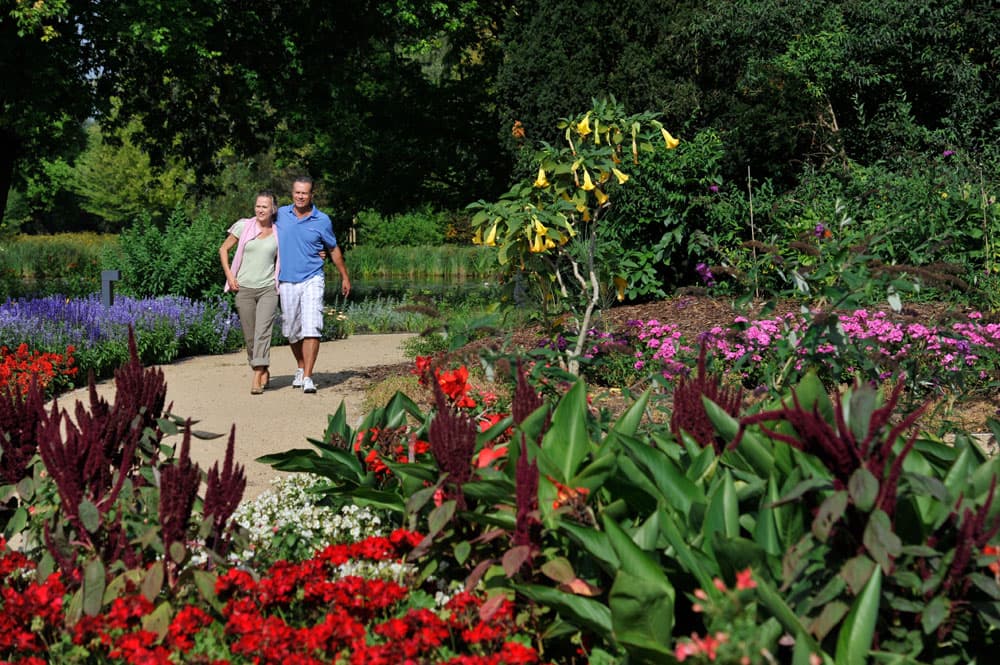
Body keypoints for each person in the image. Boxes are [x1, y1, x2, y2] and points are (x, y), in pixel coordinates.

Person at [275, 176, 351, 394]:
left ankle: (308, 376)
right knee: (290, 329)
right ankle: (300, 366)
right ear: (292, 193)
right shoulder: (280, 214)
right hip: (287, 279)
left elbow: (333, 248)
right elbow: (260, 226)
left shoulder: (322, 220)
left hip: (312, 278)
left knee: (312, 326)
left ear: (311, 195)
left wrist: (344, 276)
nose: (300, 196)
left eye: (305, 193)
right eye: (297, 192)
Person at [219, 190, 281, 395]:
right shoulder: (244, 226)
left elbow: (297, 249)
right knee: (250, 335)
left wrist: (320, 251)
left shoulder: (280, 232)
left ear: (273, 209)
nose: (260, 210)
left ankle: (256, 375)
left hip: (268, 289)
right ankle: (262, 367)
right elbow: (223, 249)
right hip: (244, 288)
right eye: (258, 206)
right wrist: (229, 275)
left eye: (265, 206)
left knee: (263, 332)